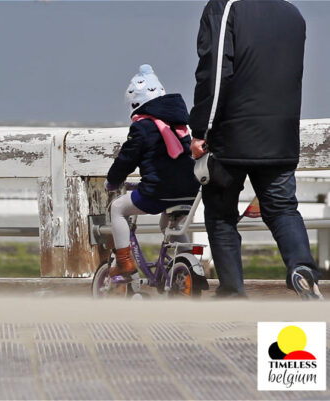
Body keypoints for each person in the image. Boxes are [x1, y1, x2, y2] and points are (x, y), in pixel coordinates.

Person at [189, 0, 323, 299]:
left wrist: (200, 130)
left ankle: (232, 293)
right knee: (283, 209)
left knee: (221, 214)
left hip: (231, 135)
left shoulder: (226, 7)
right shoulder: (293, 13)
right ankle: (302, 269)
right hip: (281, 135)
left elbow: (213, 72)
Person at [105, 64, 200, 278]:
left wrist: (113, 181)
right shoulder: (180, 124)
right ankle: (184, 261)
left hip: (159, 191)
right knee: (169, 224)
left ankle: (124, 262)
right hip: (190, 190)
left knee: (118, 208)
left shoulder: (142, 126)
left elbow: (127, 159)